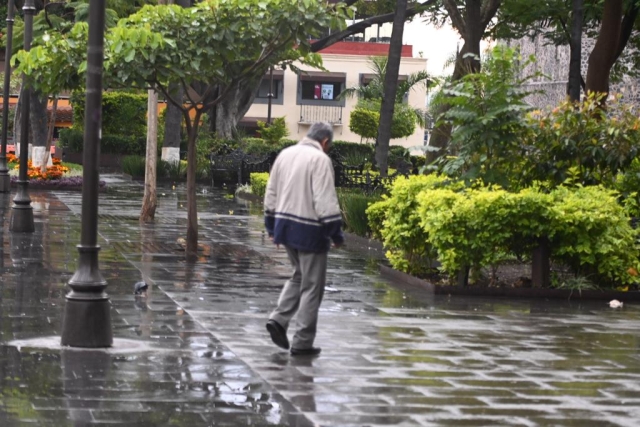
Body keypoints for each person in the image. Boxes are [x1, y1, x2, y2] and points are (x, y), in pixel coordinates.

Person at [264, 122, 343, 356]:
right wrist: (335, 232)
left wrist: (271, 226)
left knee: (299, 276)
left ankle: (278, 319)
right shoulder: (320, 160)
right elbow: (325, 200)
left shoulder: (285, 154)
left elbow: (271, 193)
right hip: (310, 230)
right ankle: (302, 342)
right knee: (312, 286)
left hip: (285, 227)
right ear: (325, 142)